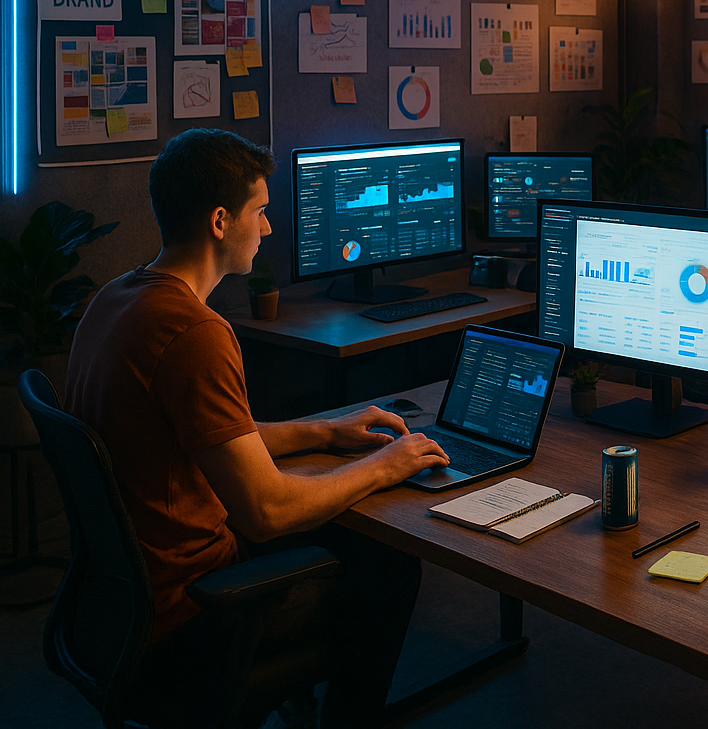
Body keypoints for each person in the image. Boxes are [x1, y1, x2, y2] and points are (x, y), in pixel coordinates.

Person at [64, 128, 451, 729]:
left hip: (120, 603)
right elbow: (266, 512)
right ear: (221, 220)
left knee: (362, 538)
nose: (268, 229)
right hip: (194, 614)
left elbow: (210, 436)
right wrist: (386, 464)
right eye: (261, 211)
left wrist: (327, 432)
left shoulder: (118, 299)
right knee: (391, 568)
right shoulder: (195, 333)